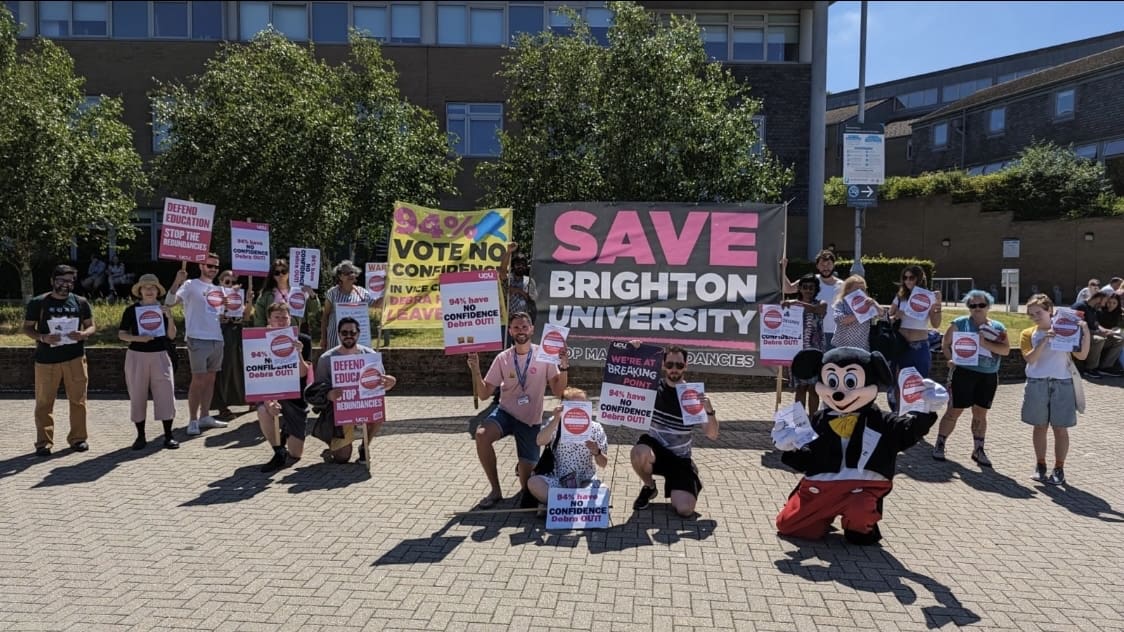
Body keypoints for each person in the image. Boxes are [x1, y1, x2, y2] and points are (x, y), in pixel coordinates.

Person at [466, 311, 568, 509]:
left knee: (526, 491)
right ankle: (495, 491)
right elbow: (485, 393)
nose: (520, 331)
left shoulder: (545, 355)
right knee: (481, 435)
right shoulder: (503, 358)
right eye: (516, 327)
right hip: (506, 413)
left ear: (531, 329)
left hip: (530, 421)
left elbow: (559, 390)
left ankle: (523, 468)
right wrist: (476, 370)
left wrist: (563, 366)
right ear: (511, 331)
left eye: (524, 327)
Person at [631, 344, 719, 517]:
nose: (674, 369)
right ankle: (649, 487)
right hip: (655, 450)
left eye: (679, 365)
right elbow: (626, 374)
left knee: (685, 510)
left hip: (680, 459)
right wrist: (634, 349)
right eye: (670, 364)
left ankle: (683, 484)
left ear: (685, 366)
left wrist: (709, 410)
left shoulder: (692, 396)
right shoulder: (653, 389)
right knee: (639, 452)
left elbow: (712, 434)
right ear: (663, 365)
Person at [23, 264, 96, 456]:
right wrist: (43, 338)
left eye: (70, 281)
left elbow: (91, 326)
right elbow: (28, 328)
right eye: (61, 280)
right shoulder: (38, 302)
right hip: (47, 360)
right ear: (52, 281)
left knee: (78, 401)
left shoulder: (80, 302)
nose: (66, 285)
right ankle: (43, 442)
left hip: (75, 358)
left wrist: (83, 334)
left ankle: (78, 439)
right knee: (44, 402)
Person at [931, 290, 1009, 466]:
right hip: (964, 373)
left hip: (988, 376)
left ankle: (978, 449)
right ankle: (940, 444)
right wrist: (949, 357)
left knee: (980, 414)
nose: (977, 309)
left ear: (988, 306)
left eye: (981, 305)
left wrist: (986, 344)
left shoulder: (998, 327)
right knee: (954, 411)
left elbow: (1005, 350)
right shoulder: (960, 323)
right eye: (973, 306)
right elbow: (946, 343)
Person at [305, 317, 398, 464]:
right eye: (344, 332)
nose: (349, 336)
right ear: (339, 334)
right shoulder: (326, 359)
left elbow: (380, 382)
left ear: (358, 334)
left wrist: (391, 381)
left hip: (363, 406)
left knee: (378, 412)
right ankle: (334, 445)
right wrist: (328, 394)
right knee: (342, 458)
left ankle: (364, 446)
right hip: (339, 411)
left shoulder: (369, 355)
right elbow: (315, 391)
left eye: (352, 332)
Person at [1020, 294, 1091, 485]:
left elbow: (1082, 355)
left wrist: (1085, 331)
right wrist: (1044, 341)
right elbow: (1030, 359)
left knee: (1060, 429)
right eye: (1031, 314)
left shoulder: (1066, 329)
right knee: (1039, 426)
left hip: (1062, 382)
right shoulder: (1029, 333)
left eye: (1039, 312)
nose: (1035, 317)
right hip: (1037, 383)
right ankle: (1040, 464)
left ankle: (1059, 468)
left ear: (1050, 310)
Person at [165, 253, 231, 436]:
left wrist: (228, 308)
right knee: (198, 381)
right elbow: (169, 303)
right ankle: (193, 420)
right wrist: (177, 281)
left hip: (217, 338)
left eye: (216, 267)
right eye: (210, 265)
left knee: (210, 380)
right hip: (197, 338)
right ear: (201, 265)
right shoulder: (190, 285)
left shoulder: (219, 289)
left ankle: (205, 416)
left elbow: (220, 316)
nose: (213, 269)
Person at [117, 273, 179, 450]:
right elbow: (121, 334)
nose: (149, 290)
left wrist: (170, 317)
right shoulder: (131, 310)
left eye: (153, 287)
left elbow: (172, 335)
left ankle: (168, 435)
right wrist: (138, 338)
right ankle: (140, 436)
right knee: (137, 395)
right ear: (140, 291)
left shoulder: (163, 309)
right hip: (137, 355)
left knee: (166, 393)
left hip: (160, 354)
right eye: (146, 288)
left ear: (157, 291)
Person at [525, 387, 609, 505]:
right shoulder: (555, 423)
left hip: (585, 480)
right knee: (533, 483)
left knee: (603, 490)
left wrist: (597, 452)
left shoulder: (595, 428)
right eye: (573, 405)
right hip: (558, 479)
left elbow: (603, 463)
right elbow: (540, 441)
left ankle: (556, 505)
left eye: (582, 405)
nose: (578, 409)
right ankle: (573, 505)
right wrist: (555, 419)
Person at [256, 302, 313, 473]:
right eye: (277, 317)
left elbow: (303, 374)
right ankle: (278, 450)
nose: (281, 321)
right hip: (272, 393)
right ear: (269, 320)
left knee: (296, 454)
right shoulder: (258, 340)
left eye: (284, 317)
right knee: (263, 411)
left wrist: (299, 353)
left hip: (295, 397)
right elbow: (257, 375)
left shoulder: (303, 340)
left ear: (290, 320)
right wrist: (268, 402)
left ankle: (287, 431)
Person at [211, 269, 255, 420]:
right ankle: (221, 405)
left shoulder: (238, 297)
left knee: (240, 367)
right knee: (223, 369)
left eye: (233, 282)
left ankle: (246, 399)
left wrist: (248, 301)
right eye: (227, 282)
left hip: (237, 333)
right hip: (222, 334)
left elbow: (247, 315)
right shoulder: (215, 296)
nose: (231, 285)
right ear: (220, 283)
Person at [783, 273, 827, 413]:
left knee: (814, 388)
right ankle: (800, 420)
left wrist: (796, 303)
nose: (808, 290)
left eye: (811, 288)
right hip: (797, 352)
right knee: (800, 388)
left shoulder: (821, 303)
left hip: (815, 352)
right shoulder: (790, 306)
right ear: (799, 289)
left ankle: (813, 419)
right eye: (805, 287)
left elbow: (817, 310)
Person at [782, 250, 840, 349]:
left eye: (829, 264)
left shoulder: (843, 286)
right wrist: (782, 269)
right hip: (808, 331)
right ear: (817, 266)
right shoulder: (810, 281)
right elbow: (787, 289)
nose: (826, 267)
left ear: (833, 265)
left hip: (834, 333)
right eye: (822, 264)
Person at [253, 258, 320, 339]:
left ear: (289, 273)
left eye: (284, 271)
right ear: (273, 276)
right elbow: (259, 319)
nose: (281, 275)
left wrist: (311, 294)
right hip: (273, 336)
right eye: (277, 273)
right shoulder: (265, 295)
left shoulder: (299, 291)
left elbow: (314, 310)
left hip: (298, 334)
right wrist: (263, 333)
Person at [320, 260, 379, 352]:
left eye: (352, 272)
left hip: (357, 342)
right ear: (340, 276)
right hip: (335, 341)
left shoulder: (362, 293)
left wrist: (387, 290)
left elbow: (376, 304)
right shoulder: (332, 293)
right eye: (346, 273)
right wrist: (323, 338)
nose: (350, 275)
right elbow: (325, 317)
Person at [1071, 291, 1122, 378]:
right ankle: (1090, 368)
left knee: (1119, 340)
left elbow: (1096, 324)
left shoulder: (1093, 308)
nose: (1104, 305)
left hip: (1093, 335)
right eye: (1105, 302)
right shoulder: (1080, 306)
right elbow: (1075, 327)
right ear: (1099, 298)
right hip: (1083, 338)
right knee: (1099, 339)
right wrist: (1098, 333)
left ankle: (1105, 367)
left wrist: (1106, 331)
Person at [830, 275, 884, 351]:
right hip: (842, 347)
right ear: (848, 290)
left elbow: (882, 315)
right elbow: (841, 320)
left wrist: (875, 305)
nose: (860, 292)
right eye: (857, 289)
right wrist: (860, 311)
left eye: (863, 289)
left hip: (862, 347)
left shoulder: (867, 302)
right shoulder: (841, 303)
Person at [500, 243, 539, 325]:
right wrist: (508, 252)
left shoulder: (529, 281)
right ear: (513, 266)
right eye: (518, 264)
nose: (520, 266)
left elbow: (532, 300)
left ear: (526, 266)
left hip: (524, 322)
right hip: (508, 322)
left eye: (523, 264)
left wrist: (518, 291)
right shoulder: (509, 279)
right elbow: (502, 271)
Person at [1096, 290, 1123, 376]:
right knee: (1119, 340)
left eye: (1114, 303)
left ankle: (1107, 366)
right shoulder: (1100, 311)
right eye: (1109, 302)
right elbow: (1096, 325)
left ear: (1118, 303)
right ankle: (1105, 367)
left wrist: (1116, 329)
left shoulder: (1119, 313)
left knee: (1120, 339)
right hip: (1100, 336)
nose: (1111, 305)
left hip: (1113, 336)